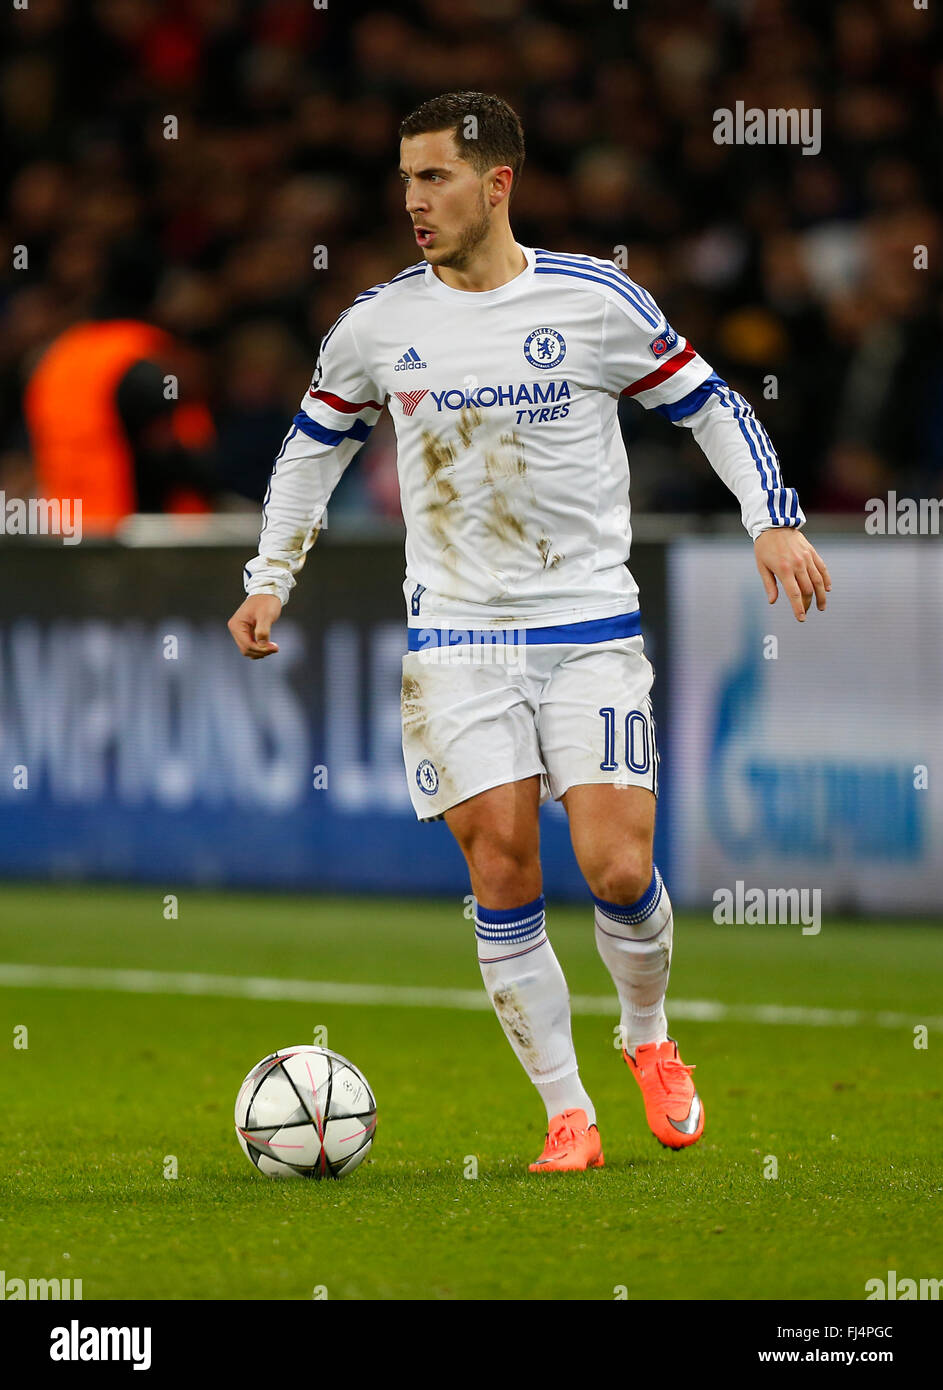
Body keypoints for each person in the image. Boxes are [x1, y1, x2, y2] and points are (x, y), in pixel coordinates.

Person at [228, 91, 831, 1172]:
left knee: (613, 866)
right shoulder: (378, 325)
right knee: (501, 869)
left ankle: (645, 1035)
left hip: (587, 627)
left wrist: (771, 518)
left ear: (496, 183)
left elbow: (709, 404)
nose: (414, 200)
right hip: (455, 640)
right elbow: (309, 449)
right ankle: (567, 1113)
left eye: (436, 178)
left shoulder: (593, 301)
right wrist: (271, 574)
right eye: (406, 178)